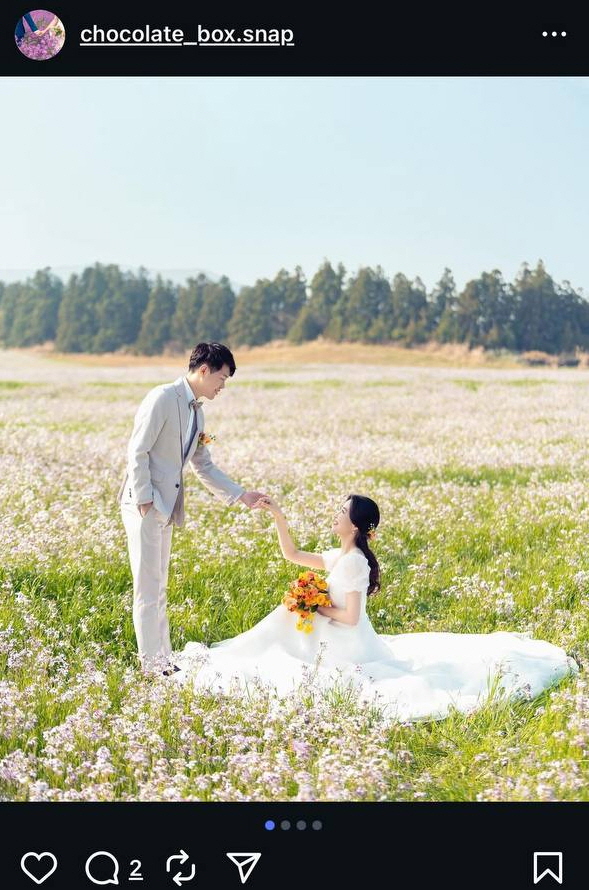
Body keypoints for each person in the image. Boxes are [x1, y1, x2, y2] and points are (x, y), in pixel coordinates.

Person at [174, 493, 579, 722]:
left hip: (346, 642)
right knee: (286, 615)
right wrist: (277, 515)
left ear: (354, 525)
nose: (335, 515)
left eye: (341, 512)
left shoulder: (354, 563)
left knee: (292, 623)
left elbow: (351, 618)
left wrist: (315, 607)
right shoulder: (339, 554)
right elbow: (292, 554)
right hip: (330, 632)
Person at [118, 342, 267, 675]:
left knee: (159, 587)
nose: (222, 387)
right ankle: (152, 667)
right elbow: (137, 451)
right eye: (222, 378)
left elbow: (203, 465)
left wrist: (241, 495)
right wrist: (144, 500)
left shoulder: (198, 412)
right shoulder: (161, 398)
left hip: (166, 508)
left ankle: (164, 660)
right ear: (204, 370)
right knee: (147, 589)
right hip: (145, 506)